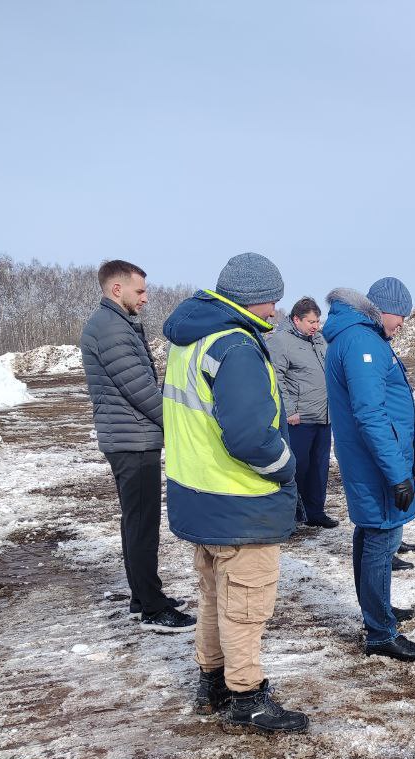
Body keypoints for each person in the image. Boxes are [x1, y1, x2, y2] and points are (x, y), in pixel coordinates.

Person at [162, 253, 309, 734]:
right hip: (239, 502)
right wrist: (287, 467)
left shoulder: (191, 339)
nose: (276, 313)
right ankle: (246, 695)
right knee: (245, 607)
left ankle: (214, 681)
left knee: (213, 598)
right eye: (274, 302)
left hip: (199, 495)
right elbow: (248, 437)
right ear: (257, 298)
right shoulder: (238, 347)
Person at [80, 260, 195, 633]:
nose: (145, 299)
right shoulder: (111, 328)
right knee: (142, 523)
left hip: (132, 437)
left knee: (137, 521)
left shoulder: (116, 323)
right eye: (140, 291)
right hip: (131, 440)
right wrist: (180, 423)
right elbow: (141, 390)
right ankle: (151, 606)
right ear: (117, 290)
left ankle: (142, 596)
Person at [322, 278, 415, 663]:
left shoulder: (353, 337)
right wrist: (396, 473)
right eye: (401, 317)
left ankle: (377, 611)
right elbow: (370, 414)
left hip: (369, 460)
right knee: (381, 539)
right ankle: (381, 631)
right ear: (383, 309)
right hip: (376, 464)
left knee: (370, 536)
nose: (401, 326)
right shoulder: (363, 342)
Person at [269, 296, 337, 529]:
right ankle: (290, 516)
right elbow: (276, 377)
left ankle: (315, 511)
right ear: (296, 319)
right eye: (311, 322)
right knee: (298, 469)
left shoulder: (319, 340)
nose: (315, 326)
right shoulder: (281, 341)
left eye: (317, 321)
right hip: (298, 419)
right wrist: (289, 410)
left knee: (319, 468)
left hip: (324, 416)